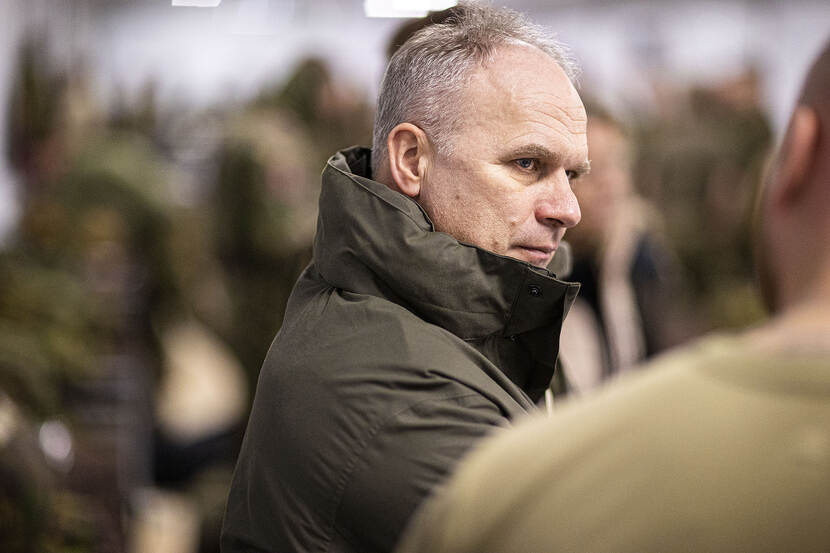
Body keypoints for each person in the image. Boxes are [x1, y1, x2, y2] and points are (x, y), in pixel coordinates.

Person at [394, 38, 830, 553]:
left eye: (581, 173)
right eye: (531, 165)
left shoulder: (638, 260)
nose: (580, 200)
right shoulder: (494, 307)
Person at [220, 3, 589, 552]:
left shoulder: (488, 317)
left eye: (572, 173)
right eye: (528, 165)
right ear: (412, 160)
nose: (568, 208)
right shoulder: (397, 394)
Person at [560, 107, 691, 392]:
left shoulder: (643, 257)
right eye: (589, 168)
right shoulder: (540, 278)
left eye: (618, 165)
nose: (609, 183)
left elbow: (669, 362)